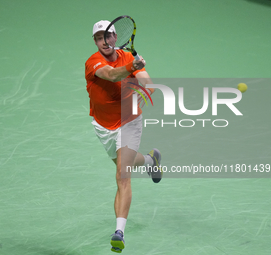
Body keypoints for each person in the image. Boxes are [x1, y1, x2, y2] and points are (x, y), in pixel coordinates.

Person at [85, 20, 162, 253]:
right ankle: (151, 160)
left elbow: (149, 84)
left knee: (122, 175)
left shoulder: (128, 58)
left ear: (115, 38)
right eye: (99, 38)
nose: (104, 41)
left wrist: (144, 78)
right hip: (103, 125)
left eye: (108, 36)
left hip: (129, 120)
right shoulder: (93, 62)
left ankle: (119, 232)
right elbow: (111, 75)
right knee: (122, 165)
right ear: (95, 42)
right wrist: (131, 69)